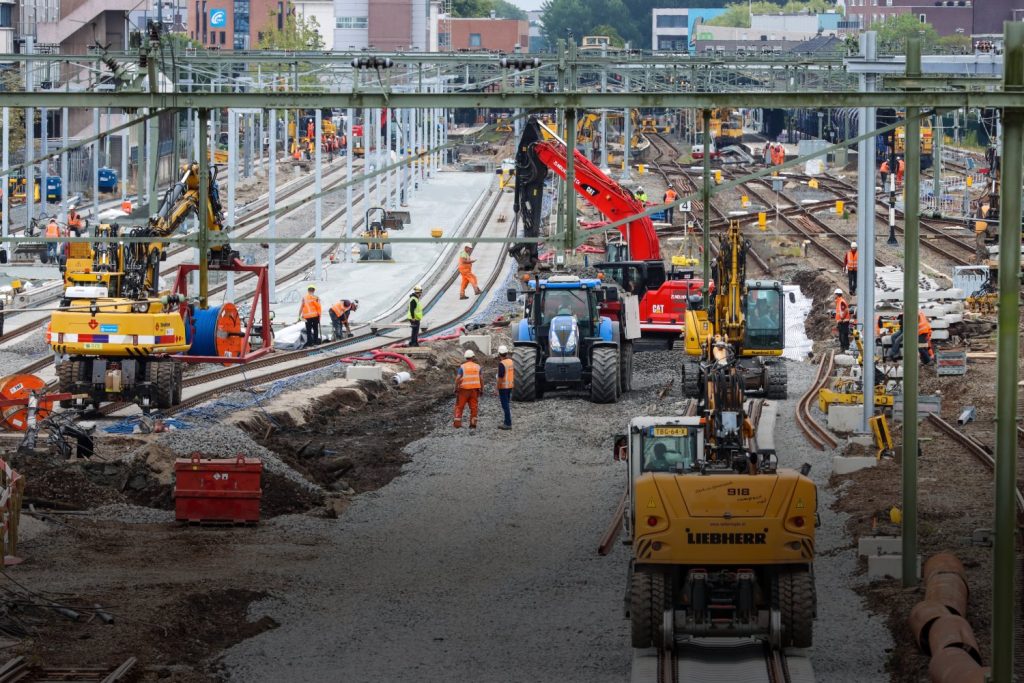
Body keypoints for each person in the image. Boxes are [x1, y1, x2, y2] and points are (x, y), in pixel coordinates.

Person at [453, 349, 482, 428]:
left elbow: (458, 378)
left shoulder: (462, 367)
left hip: (464, 390)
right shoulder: (478, 367)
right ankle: (473, 424)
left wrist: (455, 388)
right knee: (474, 407)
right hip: (474, 390)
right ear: (473, 357)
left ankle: (457, 424)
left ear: (465, 357)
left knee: (459, 406)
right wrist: (482, 389)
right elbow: (481, 379)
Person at [495, 345, 514, 430]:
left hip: (503, 387)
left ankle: (507, 423)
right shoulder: (510, 361)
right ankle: (508, 421)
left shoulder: (502, 364)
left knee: (505, 405)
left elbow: (500, 377)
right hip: (510, 386)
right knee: (507, 404)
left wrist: (497, 388)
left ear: (499, 354)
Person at [834, 288, 851, 353]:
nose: (834, 295)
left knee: (843, 335)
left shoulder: (841, 301)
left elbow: (845, 310)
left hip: (843, 321)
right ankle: (844, 348)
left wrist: (841, 318)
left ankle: (845, 348)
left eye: (835, 294)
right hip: (841, 322)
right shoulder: (839, 301)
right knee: (842, 336)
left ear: (837, 294)